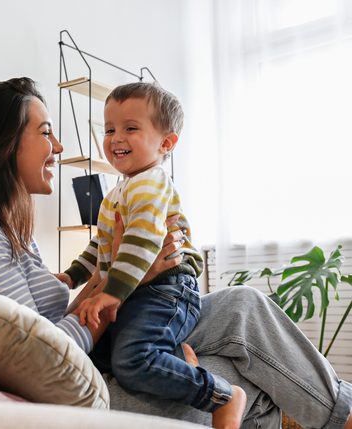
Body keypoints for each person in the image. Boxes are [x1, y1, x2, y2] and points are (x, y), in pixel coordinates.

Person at [0, 77, 352, 429]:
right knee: (240, 380)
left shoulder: (8, 233)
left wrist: (105, 280)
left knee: (244, 305)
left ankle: (345, 414)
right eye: (46, 133)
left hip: (92, 360)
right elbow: (38, 359)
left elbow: (65, 314)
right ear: (2, 143)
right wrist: (132, 278)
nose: (59, 148)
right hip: (72, 395)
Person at [69, 82, 245, 428]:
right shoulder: (119, 191)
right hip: (135, 288)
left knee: (133, 360)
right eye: (109, 129)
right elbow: (100, 245)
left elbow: (141, 241)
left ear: (166, 143)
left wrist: (109, 293)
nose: (116, 138)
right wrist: (72, 275)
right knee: (99, 356)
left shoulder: (150, 183)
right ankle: (180, 360)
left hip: (165, 288)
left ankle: (222, 395)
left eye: (130, 128)